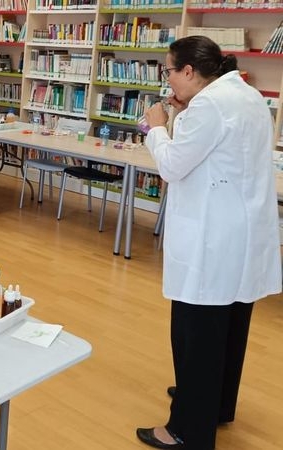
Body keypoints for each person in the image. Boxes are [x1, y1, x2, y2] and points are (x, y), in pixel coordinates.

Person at [136, 35, 282, 450]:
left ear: (187, 71)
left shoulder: (209, 105)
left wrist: (156, 127)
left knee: (196, 332)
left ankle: (185, 429)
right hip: (241, 232)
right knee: (230, 326)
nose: (168, 81)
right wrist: (183, 117)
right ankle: (215, 405)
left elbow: (172, 165)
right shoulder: (246, 94)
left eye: (169, 70)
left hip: (211, 238)